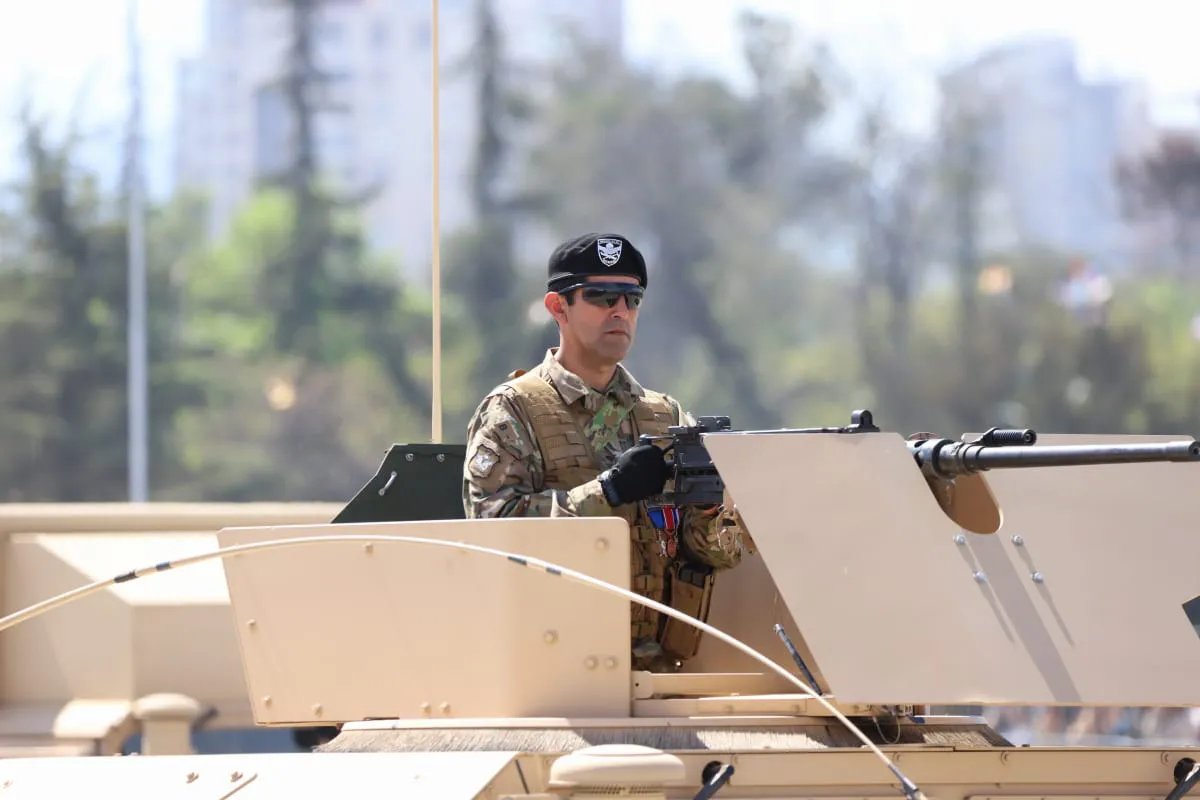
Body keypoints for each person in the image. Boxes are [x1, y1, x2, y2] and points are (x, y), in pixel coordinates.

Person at [461, 232, 755, 672]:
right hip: (551, 671)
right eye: (600, 296)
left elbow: (704, 549)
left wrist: (735, 513)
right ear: (558, 308)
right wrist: (608, 492)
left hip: (658, 672)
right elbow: (490, 532)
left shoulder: (665, 415)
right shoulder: (514, 410)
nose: (620, 311)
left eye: (631, 298)